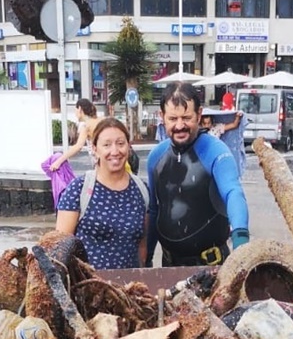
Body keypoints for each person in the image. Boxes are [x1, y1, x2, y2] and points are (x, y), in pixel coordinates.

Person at [146, 83, 249, 267]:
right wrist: (147, 257)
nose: (179, 126)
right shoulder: (156, 157)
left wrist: (241, 241)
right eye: (173, 118)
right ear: (162, 117)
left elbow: (233, 193)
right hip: (170, 265)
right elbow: (154, 210)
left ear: (199, 114)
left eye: (187, 118)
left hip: (211, 266)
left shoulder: (215, 151)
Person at [56, 118, 148, 269]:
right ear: (94, 149)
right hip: (88, 281)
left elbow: (142, 245)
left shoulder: (141, 189)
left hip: (129, 281)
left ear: (128, 146)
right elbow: (60, 248)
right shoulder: (78, 189)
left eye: (120, 143)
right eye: (106, 145)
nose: (115, 151)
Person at [50, 99, 99, 172]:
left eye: (75, 110)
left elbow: (78, 146)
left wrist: (58, 162)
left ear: (79, 109)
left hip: (100, 163)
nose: (75, 113)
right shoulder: (98, 121)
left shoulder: (86, 126)